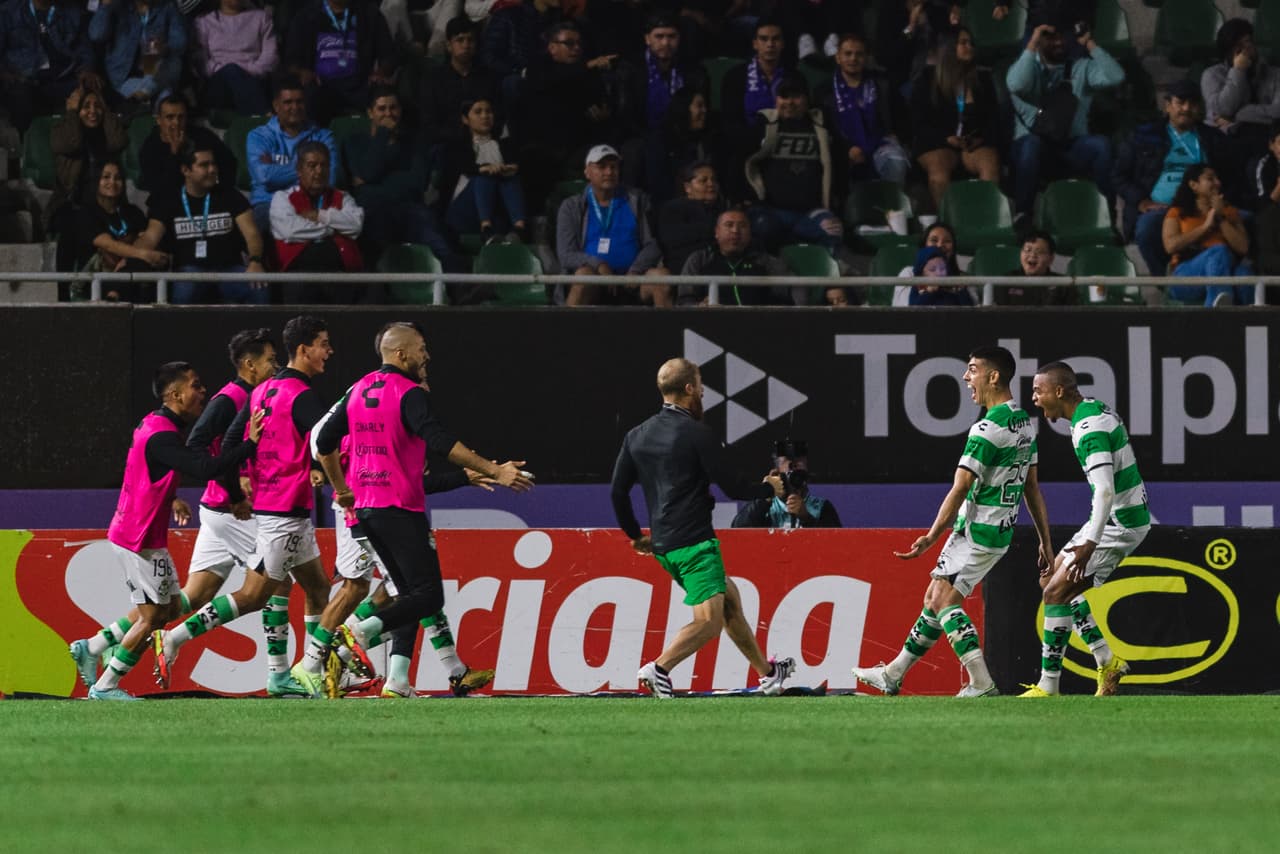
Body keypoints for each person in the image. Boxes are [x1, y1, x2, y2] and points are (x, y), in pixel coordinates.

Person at [312, 322, 534, 699]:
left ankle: (400, 680)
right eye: (421, 349)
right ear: (401, 354)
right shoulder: (407, 393)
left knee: (409, 596)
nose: (426, 356)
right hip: (397, 508)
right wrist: (495, 469)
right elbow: (440, 441)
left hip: (365, 509)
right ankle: (349, 639)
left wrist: (343, 488)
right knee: (427, 597)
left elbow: (323, 442)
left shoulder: (359, 389)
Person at [69, 329, 277, 691]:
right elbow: (206, 468)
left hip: (137, 532)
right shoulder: (163, 434)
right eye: (195, 386)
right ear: (175, 394)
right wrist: (250, 444)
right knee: (154, 617)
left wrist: (171, 497)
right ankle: (105, 686)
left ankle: (94, 647)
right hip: (139, 538)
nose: (202, 392)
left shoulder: (154, 425)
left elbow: (144, 470)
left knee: (170, 606)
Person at [155, 316, 339, 698]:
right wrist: (338, 475)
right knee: (255, 595)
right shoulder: (298, 394)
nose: (329, 351)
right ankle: (174, 637)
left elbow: (235, 440)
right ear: (303, 350)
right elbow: (325, 438)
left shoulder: (263, 392)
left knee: (318, 588)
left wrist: (247, 475)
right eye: (323, 344)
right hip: (283, 512)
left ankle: (304, 672)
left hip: (281, 508)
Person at [853, 346, 1052, 698]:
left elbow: (961, 486)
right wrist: (1044, 540)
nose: (965, 377)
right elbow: (1032, 487)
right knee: (934, 597)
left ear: (993, 377)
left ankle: (981, 682)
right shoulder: (1023, 424)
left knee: (945, 602)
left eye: (973, 369)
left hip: (978, 530)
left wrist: (931, 536)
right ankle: (894, 673)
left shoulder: (987, 429)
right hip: (994, 529)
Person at [610, 357, 796, 699]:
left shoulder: (636, 436)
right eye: (701, 386)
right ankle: (660, 668)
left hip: (664, 546)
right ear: (689, 389)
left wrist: (636, 535)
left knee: (729, 603)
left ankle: (768, 675)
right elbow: (734, 487)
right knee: (709, 622)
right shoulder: (697, 433)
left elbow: (617, 492)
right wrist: (771, 488)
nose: (704, 394)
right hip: (695, 543)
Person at [1022, 361, 1151, 697]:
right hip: (1116, 518)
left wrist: (1090, 542)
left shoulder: (1088, 427)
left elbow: (1106, 490)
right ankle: (1108, 661)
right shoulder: (1092, 409)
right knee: (1053, 582)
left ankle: (1048, 687)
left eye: (1039, 390)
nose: (1034, 398)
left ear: (1059, 391)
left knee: (1054, 593)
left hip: (1120, 524)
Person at [1112, 80, 1232, 278]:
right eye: (1180, 102)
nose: (1186, 108)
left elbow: (1230, 176)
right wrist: (1141, 201)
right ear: (1167, 105)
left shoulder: (1213, 138)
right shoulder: (1143, 135)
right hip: (1161, 209)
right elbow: (1118, 175)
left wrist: (1219, 202)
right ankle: (1168, 283)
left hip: (1203, 208)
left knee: (1246, 219)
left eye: (1192, 103)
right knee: (1147, 228)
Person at [1007, 22, 1124, 217]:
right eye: (1051, 37)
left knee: (1101, 145)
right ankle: (1023, 214)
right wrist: (1033, 43)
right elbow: (1017, 85)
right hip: (1035, 146)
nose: (1059, 42)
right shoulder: (1027, 68)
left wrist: (1089, 44)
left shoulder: (1081, 67)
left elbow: (1116, 77)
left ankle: (1107, 215)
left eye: (1062, 36)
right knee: (1031, 145)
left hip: (1071, 145)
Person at [134, 141, 270, 305]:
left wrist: (255, 261)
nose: (212, 169)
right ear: (186, 170)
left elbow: (252, 234)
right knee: (186, 289)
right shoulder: (169, 200)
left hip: (229, 270)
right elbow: (150, 237)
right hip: (189, 271)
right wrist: (137, 253)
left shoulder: (230, 195)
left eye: (213, 164)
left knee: (258, 287)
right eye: (204, 165)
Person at [343, 86, 452, 272]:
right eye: (381, 109)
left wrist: (374, 183)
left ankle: (461, 290)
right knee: (370, 246)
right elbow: (369, 172)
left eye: (393, 108)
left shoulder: (416, 142)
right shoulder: (354, 142)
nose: (388, 114)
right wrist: (383, 136)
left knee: (438, 243)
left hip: (410, 209)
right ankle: (374, 296)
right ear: (370, 113)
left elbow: (416, 183)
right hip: (373, 211)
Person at [556, 144, 670, 307]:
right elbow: (566, 255)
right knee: (583, 275)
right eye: (602, 167)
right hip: (595, 280)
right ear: (587, 172)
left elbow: (653, 244)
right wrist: (599, 264)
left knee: (662, 277)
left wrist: (636, 270)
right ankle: (567, 331)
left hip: (632, 280)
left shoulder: (637, 200)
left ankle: (668, 332)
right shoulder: (571, 207)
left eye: (613, 167)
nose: (609, 172)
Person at [743, 75, 844, 257]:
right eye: (784, 96)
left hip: (810, 212)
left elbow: (838, 165)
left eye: (796, 96)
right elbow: (742, 161)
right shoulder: (765, 123)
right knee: (762, 228)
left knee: (833, 229)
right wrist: (749, 196)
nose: (789, 102)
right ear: (776, 100)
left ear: (807, 100)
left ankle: (828, 282)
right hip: (770, 210)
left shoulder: (821, 125)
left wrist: (834, 205)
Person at [910, 28, 1001, 210]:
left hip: (972, 144)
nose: (970, 47)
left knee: (990, 163)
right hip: (937, 142)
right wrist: (945, 138)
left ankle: (986, 218)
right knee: (939, 168)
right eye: (963, 43)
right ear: (949, 48)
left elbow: (994, 119)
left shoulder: (982, 79)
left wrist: (979, 138)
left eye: (971, 43)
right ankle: (945, 222)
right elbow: (917, 122)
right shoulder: (927, 79)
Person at [271, 141, 366, 303]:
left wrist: (321, 216)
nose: (319, 171)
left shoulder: (343, 197)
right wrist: (332, 229)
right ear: (299, 170)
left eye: (324, 165)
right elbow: (290, 231)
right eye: (312, 165)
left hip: (339, 273)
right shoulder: (282, 198)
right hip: (299, 273)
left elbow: (355, 225)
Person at [247, 75, 340, 238]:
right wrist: (308, 170)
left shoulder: (324, 137)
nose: (295, 107)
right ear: (276, 106)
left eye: (299, 102)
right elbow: (264, 177)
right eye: (288, 102)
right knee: (260, 219)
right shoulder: (258, 137)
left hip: (311, 202)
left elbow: (328, 179)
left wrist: (278, 173)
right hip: (268, 202)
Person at [64, 160, 167, 301]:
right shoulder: (85, 213)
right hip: (97, 278)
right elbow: (108, 245)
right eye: (106, 177)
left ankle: (115, 295)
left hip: (133, 273)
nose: (112, 182)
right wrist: (142, 254)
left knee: (143, 263)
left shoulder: (133, 212)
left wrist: (129, 260)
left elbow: (144, 240)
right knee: (139, 259)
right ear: (95, 181)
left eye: (118, 178)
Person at [816, 33, 910, 188]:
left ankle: (894, 208)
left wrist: (898, 135)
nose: (853, 59)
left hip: (881, 143)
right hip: (841, 149)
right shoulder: (824, 92)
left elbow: (902, 116)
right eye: (848, 54)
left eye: (859, 54)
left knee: (896, 163)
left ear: (866, 58)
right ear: (838, 57)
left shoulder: (882, 84)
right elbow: (825, 129)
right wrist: (846, 148)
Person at [284, 0, 398, 126]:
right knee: (309, 98)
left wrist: (380, 73)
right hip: (320, 85)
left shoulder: (369, 13)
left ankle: (379, 141)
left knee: (384, 97)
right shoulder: (306, 15)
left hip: (360, 84)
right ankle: (313, 143)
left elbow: (389, 55)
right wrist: (302, 72)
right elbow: (291, 60)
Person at [48, 88, 128, 263]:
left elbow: (118, 141)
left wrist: (105, 109)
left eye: (97, 106)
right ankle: (65, 288)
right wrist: (71, 112)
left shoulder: (107, 133)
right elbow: (72, 143)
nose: (92, 111)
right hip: (70, 204)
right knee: (75, 229)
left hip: (105, 204)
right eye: (86, 106)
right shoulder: (61, 131)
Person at [0, 0, 100, 134]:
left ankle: (81, 148)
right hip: (26, 80)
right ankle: (28, 146)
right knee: (20, 96)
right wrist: (7, 75)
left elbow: (85, 49)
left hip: (64, 77)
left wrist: (87, 70)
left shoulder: (72, 12)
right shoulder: (8, 12)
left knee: (93, 89)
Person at [1162, 164, 1254, 306]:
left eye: (1217, 178)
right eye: (1210, 179)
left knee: (1245, 274)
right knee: (1219, 251)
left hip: (1227, 269)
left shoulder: (1230, 212)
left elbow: (1243, 248)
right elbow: (1171, 246)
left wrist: (1220, 217)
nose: (1217, 183)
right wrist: (1205, 227)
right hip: (1185, 275)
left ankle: (1248, 322)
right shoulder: (1177, 212)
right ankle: (1214, 314)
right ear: (1193, 185)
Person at [442, 97, 528, 244]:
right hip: (464, 211)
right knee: (484, 177)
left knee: (510, 177)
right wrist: (484, 168)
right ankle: (486, 228)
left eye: (488, 111)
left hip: (497, 210)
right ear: (465, 119)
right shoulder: (457, 146)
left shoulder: (505, 145)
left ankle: (519, 229)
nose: (485, 116)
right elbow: (458, 168)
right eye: (478, 112)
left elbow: (518, 164)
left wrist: (510, 168)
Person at [679, 207, 791, 306]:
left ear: (750, 233)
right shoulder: (699, 259)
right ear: (717, 232)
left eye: (742, 226)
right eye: (729, 225)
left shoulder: (768, 262)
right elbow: (684, 300)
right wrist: (699, 306)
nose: (735, 231)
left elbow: (782, 301)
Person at [88, 0, 187, 107]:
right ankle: (149, 90)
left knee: (173, 60)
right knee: (166, 94)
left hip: (157, 68)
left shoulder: (167, 5)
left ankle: (147, 91)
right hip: (125, 77)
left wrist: (164, 48)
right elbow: (96, 35)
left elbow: (180, 42)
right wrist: (105, 6)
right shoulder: (118, 6)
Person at [138, 94, 238, 195]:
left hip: (208, 194)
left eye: (181, 117)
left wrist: (217, 190)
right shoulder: (150, 147)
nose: (176, 122)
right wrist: (174, 153)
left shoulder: (203, 136)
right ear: (159, 120)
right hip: (170, 200)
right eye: (170, 117)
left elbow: (229, 164)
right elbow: (158, 188)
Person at [1201, 19, 1280, 145]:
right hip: (1223, 138)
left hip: (1264, 138)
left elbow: (1277, 112)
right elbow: (1223, 109)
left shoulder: (1276, 74)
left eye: (1248, 43)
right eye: (1238, 46)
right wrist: (1238, 70)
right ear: (1228, 51)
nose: (1245, 51)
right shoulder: (1212, 75)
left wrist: (1236, 116)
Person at [193, 0, 278, 116]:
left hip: (254, 78)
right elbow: (201, 60)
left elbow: (270, 56)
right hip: (218, 82)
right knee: (231, 70)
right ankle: (265, 115)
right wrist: (226, 70)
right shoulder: (204, 21)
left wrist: (247, 71)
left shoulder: (261, 17)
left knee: (235, 72)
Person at [732, 439, 842, 529]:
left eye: (800, 471)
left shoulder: (821, 507)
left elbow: (837, 545)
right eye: (790, 472)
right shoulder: (765, 507)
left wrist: (807, 518)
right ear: (776, 474)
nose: (795, 477)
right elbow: (737, 530)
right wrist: (764, 496)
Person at [423, 16, 500, 144]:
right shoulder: (433, 79)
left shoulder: (488, 76)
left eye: (470, 40)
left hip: (485, 141)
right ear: (448, 45)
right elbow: (429, 123)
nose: (466, 45)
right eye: (460, 40)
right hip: (447, 145)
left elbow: (498, 115)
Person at [644, 87, 725, 206]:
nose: (705, 111)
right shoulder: (661, 141)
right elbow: (658, 183)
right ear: (684, 108)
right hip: (674, 207)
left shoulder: (710, 139)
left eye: (705, 106)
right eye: (699, 106)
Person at [657, 160, 725, 282]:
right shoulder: (673, 208)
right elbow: (672, 238)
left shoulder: (724, 210)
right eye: (703, 180)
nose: (711, 184)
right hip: (683, 272)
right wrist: (715, 230)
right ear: (687, 187)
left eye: (714, 180)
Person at [720, 19, 787, 136]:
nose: (770, 44)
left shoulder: (794, 76)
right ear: (755, 44)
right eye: (764, 39)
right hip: (746, 144)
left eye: (775, 39)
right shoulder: (735, 77)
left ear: (783, 43)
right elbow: (730, 121)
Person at [993, 230, 1078, 306]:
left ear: (1051, 259)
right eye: (1027, 250)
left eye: (1039, 252)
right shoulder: (1005, 282)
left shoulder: (1063, 285)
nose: (1032, 255)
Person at [892, 221, 962, 306]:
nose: (940, 245)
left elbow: (971, 312)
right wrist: (929, 291)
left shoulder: (963, 279)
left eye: (947, 241)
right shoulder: (909, 273)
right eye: (934, 240)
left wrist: (961, 290)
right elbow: (906, 311)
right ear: (924, 245)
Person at [906, 245, 973, 306]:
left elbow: (968, 309)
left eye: (942, 268)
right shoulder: (918, 287)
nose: (939, 273)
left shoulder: (953, 286)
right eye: (932, 269)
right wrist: (929, 293)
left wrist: (962, 291)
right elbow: (913, 310)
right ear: (922, 274)